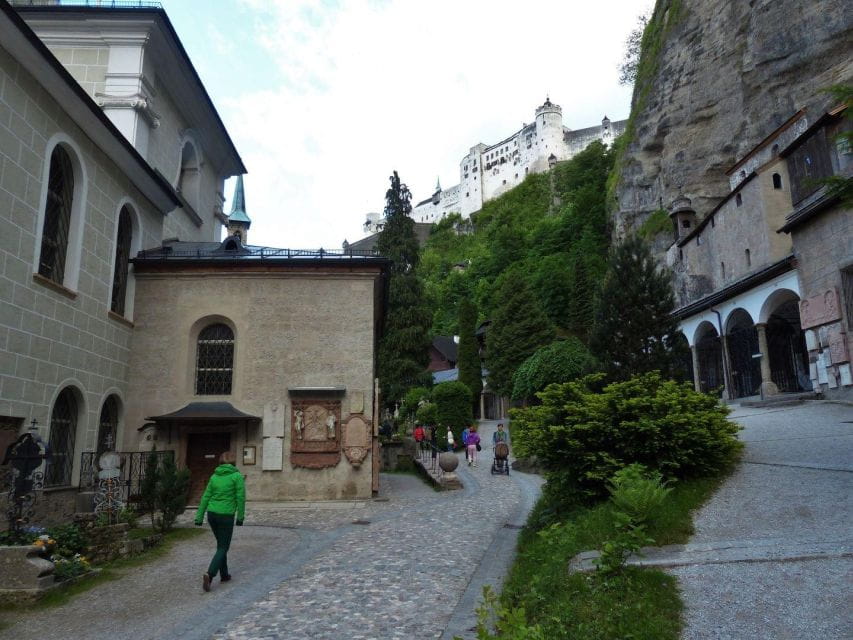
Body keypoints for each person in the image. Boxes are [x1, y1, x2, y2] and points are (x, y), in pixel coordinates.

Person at [194, 451, 245, 592]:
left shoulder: (214, 477)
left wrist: (199, 516)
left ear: (220, 462)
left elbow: (205, 497)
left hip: (212, 515)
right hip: (226, 515)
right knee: (223, 547)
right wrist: (240, 517)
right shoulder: (237, 476)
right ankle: (210, 575)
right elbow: (240, 498)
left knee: (221, 545)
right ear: (233, 462)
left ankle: (224, 575)